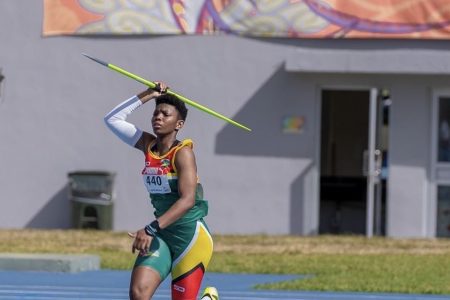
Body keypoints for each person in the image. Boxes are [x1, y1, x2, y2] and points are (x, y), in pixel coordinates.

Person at [104, 83, 219, 300]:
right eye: (156, 113)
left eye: (165, 114)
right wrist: (148, 95)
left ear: (179, 124)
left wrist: (150, 229)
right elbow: (112, 119)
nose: (158, 117)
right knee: (138, 293)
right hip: (163, 235)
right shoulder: (147, 144)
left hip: (190, 239)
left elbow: (187, 200)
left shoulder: (183, 153)